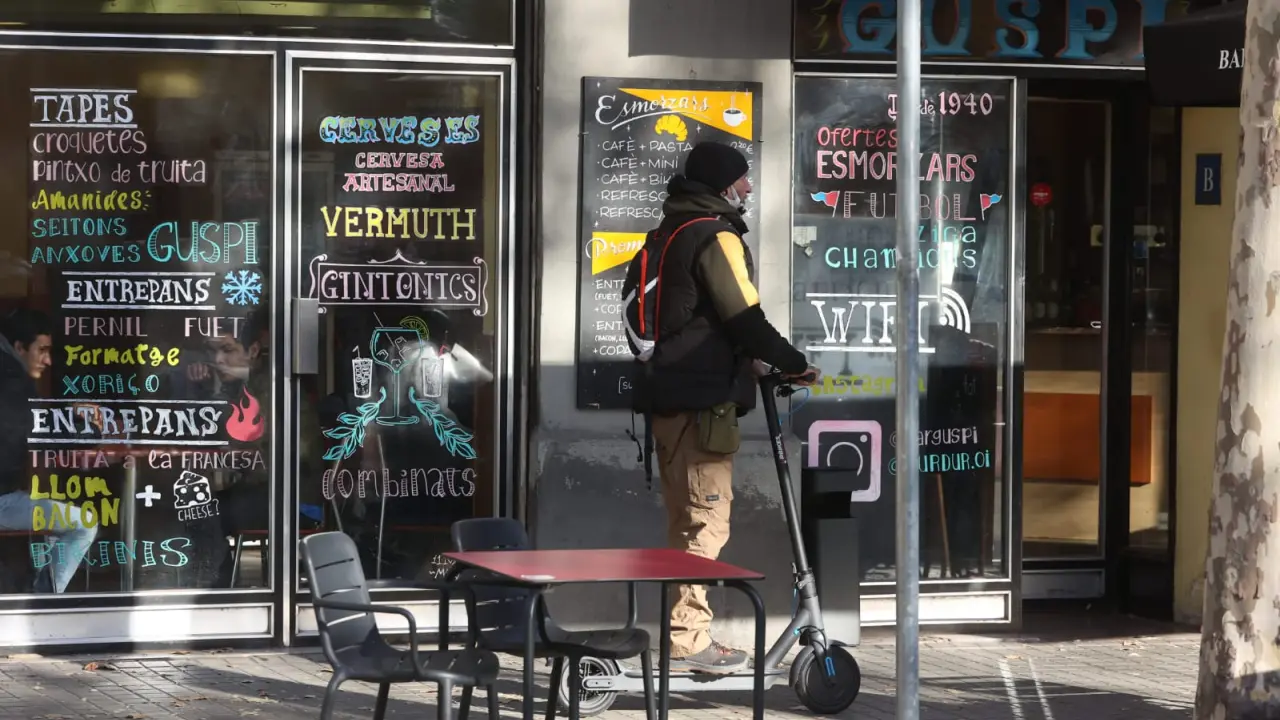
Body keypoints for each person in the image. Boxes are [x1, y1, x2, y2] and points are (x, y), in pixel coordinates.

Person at [628, 141, 818, 674]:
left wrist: (748, 364)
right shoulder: (715, 235)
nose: (749, 187)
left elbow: (693, 322)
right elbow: (743, 317)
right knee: (705, 524)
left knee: (684, 522)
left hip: (669, 400)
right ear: (722, 184)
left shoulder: (670, 231)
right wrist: (793, 361)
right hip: (700, 407)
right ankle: (689, 641)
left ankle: (683, 635)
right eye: (742, 178)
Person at [0, 308, 99, 593]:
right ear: (20, 347)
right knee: (83, 524)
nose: (48, 360)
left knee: (51, 526)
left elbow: (27, 424)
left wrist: (65, 415)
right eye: (42, 350)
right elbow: (41, 433)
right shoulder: (12, 380)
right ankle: (42, 602)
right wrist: (87, 428)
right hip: (2, 501)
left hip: (7, 496)